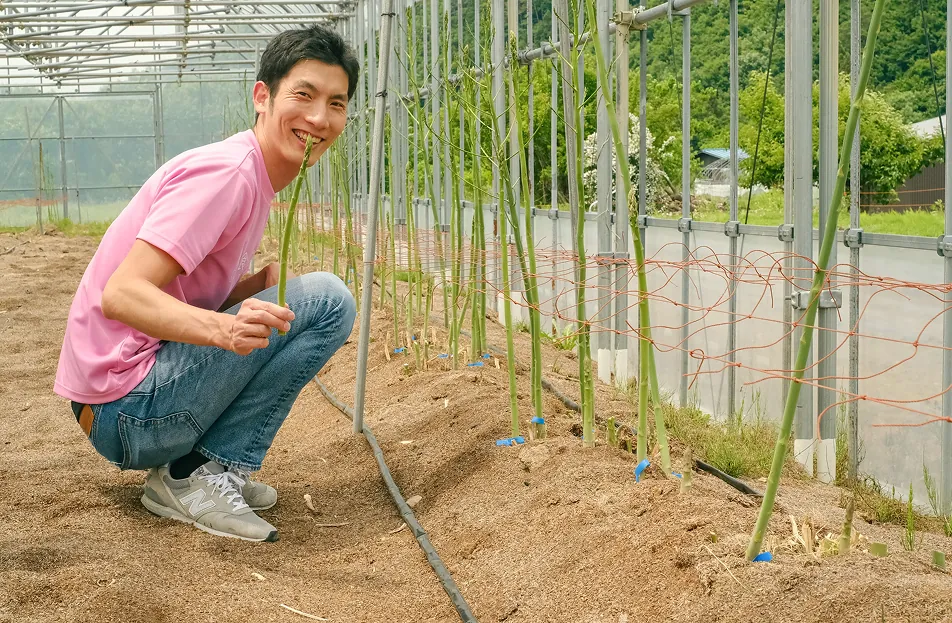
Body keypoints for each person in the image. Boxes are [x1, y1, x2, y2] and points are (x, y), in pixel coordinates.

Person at [53, 25, 360, 543]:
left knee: (298, 299)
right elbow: (123, 294)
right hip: (126, 410)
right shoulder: (227, 175)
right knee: (330, 300)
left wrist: (251, 287)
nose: (319, 118)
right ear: (262, 96)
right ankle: (191, 473)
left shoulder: (252, 176)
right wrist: (224, 329)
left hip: (120, 404)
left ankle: (203, 467)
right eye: (303, 95)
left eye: (336, 103)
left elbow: (179, 288)